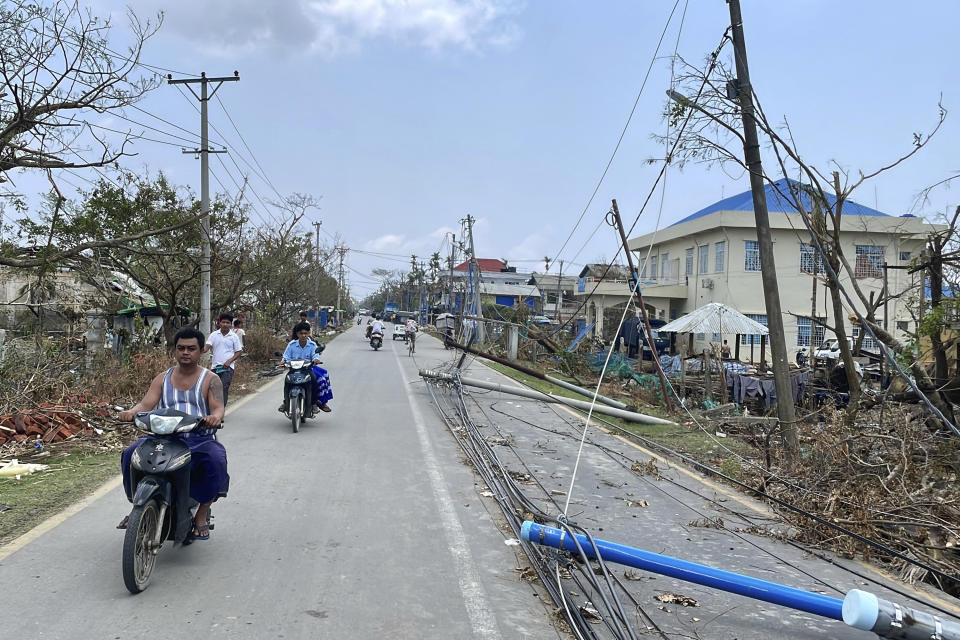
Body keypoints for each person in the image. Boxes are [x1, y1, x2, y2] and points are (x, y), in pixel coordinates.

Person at [117, 327, 228, 542]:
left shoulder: (210, 379)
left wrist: (214, 417)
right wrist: (131, 413)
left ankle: (202, 512)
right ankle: (137, 506)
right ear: (174, 351)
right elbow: (146, 404)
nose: (185, 352)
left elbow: (218, 407)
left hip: (198, 438)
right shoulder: (162, 378)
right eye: (181, 348)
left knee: (216, 460)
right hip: (162, 437)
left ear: (201, 351)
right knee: (130, 454)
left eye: (191, 349)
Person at [278, 321, 333, 414]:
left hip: (307, 370)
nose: (303, 335)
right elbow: (286, 356)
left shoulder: (312, 345)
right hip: (293, 370)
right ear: (297, 334)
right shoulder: (291, 345)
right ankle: (285, 402)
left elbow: (315, 355)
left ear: (308, 333)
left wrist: (316, 360)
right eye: (301, 333)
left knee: (314, 380)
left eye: (305, 333)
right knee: (287, 382)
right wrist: (282, 361)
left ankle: (314, 403)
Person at [204, 314, 243, 406]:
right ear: (219, 323)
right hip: (215, 367)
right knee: (213, 389)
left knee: (224, 387)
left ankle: (220, 411)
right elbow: (206, 347)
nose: (225, 324)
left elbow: (239, 351)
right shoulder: (214, 335)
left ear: (231, 324)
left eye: (227, 322)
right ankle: (213, 409)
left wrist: (229, 361)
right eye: (223, 322)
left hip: (228, 368)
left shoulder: (234, 336)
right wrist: (197, 350)